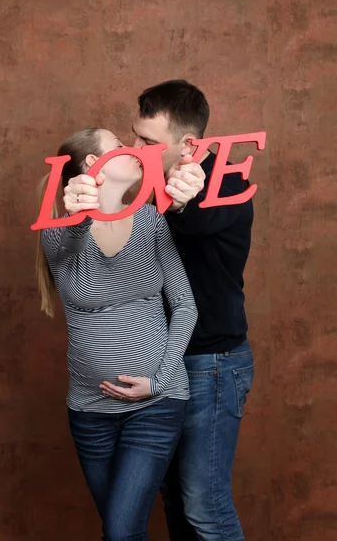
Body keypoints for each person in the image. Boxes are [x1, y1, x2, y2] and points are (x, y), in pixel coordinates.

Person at [107, 80, 255, 540]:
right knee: (173, 499)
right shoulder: (151, 185)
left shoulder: (229, 183)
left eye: (148, 141)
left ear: (189, 144)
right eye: (134, 135)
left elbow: (197, 219)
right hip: (164, 364)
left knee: (204, 506)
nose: (135, 147)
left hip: (210, 363)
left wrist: (181, 200)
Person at [35, 127, 198, 541]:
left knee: (122, 530)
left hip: (157, 402)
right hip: (90, 413)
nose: (134, 151)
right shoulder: (58, 230)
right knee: (121, 532)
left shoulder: (150, 219)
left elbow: (184, 305)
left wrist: (159, 382)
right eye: (120, 146)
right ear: (94, 164)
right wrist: (82, 209)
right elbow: (70, 238)